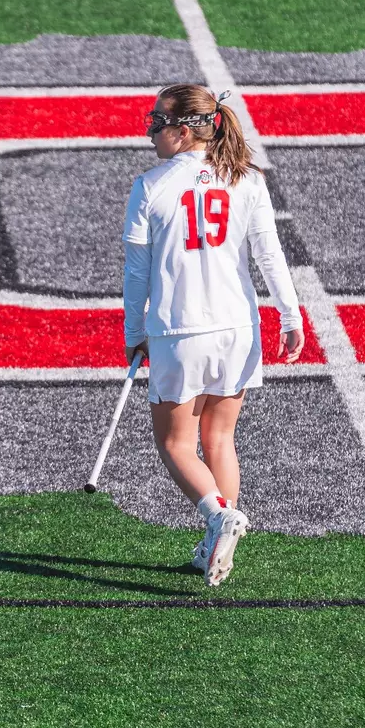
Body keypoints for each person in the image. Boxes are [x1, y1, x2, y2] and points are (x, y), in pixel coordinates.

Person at [122, 84, 304, 587]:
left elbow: (136, 273)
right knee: (220, 436)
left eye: (158, 121)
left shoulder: (151, 185)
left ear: (183, 133)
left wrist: (134, 330)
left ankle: (218, 517)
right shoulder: (246, 178)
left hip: (180, 330)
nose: (151, 129)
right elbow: (270, 254)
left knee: (175, 443)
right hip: (239, 328)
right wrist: (290, 316)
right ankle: (214, 546)